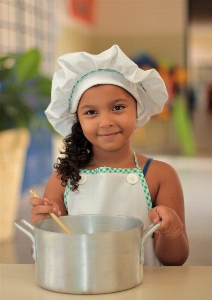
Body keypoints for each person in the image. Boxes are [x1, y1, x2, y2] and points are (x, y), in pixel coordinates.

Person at [29, 45, 189, 266]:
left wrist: (172, 231)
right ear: (79, 120)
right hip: (78, 286)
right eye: (91, 112)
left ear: (137, 108)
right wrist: (43, 225)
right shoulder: (62, 179)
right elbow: (48, 257)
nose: (106, 122)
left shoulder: (160, 175)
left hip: (137, 287)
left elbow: (173, 260)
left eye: (118, 107)